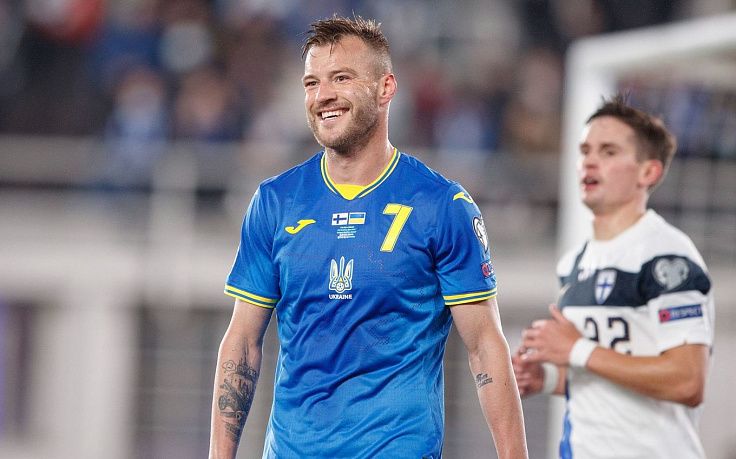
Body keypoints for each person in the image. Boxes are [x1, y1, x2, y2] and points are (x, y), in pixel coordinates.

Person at [208, 14, 528, 459]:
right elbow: (242, 342)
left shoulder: (441, 205)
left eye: (341, 78)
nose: (323, 95)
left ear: (385, 88)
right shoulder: (275, 202)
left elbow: (485, 348)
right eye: (312, 83)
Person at [513, 96, 714, 459]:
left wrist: (577, 348)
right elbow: (605, 373)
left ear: (648, 172)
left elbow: (687, 381)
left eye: (608, 151)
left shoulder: (667, 257)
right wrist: (549, 378)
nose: (589, 161)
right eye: (585, 150)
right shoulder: (573, 263)